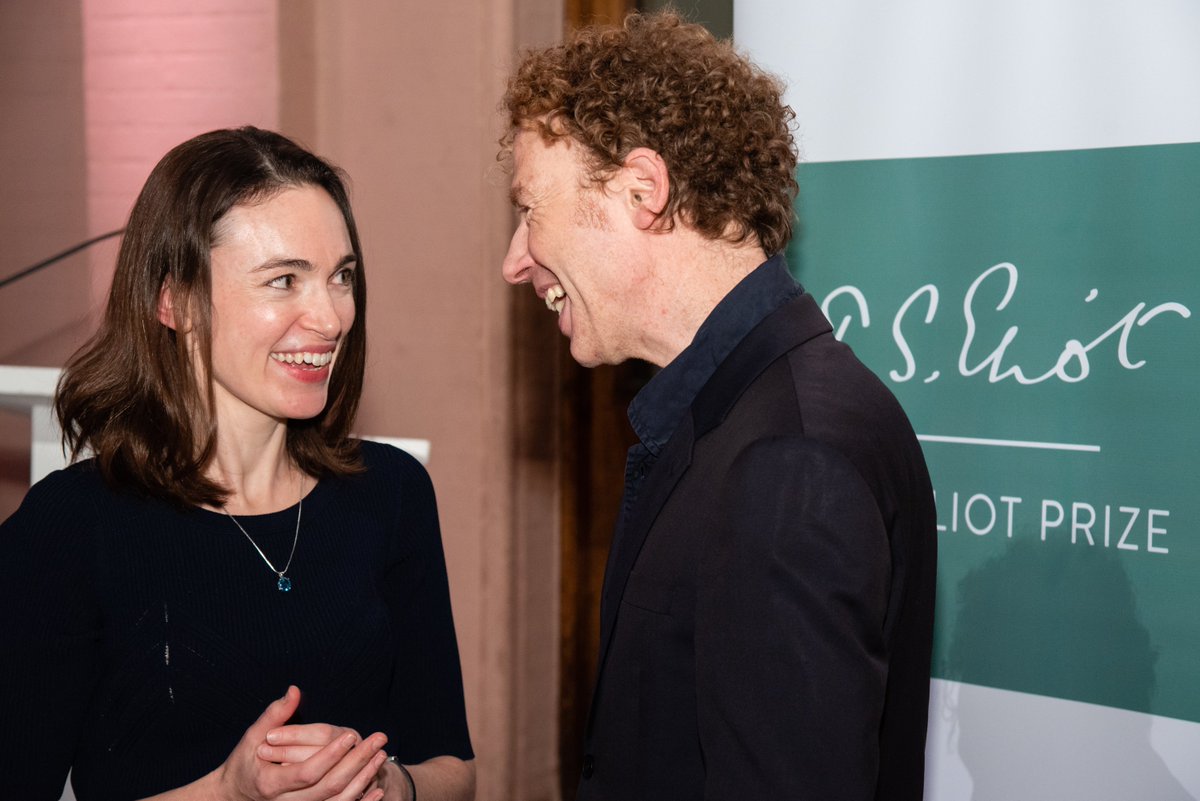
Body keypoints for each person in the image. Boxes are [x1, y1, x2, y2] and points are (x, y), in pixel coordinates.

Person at [499, 12, 936, 801]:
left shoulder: (790, 458)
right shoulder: (747, 414)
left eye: (530, 209)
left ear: (643, 189)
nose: (515, 259)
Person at [0, 127, 475, 801]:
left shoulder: (392, 493)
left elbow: (454, 767)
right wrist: (227, 791)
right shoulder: (70, 527)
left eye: (341, 276)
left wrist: (392, 786)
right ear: (175, 300)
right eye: (285, 280)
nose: (331, 316)